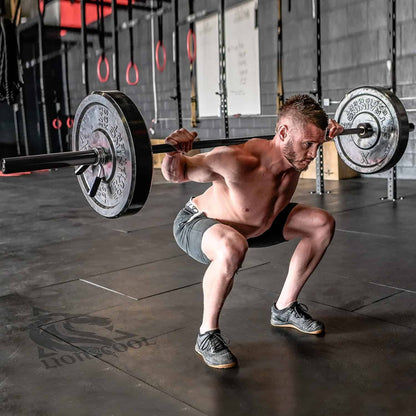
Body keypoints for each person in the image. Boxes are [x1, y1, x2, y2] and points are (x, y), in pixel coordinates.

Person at [161, 95, 344, 369]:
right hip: (198, 224)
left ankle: (284, 308)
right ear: (282, 133)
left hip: (258, 226)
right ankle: (206, 334)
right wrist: (172, 152)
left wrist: (328, 131)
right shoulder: (235, 160)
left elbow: (314, 134)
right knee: (233, 246)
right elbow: (177, 174)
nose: (314, 154)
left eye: (318, 144)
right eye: (308, 144)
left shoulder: (297, 153)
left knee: (322, 223)